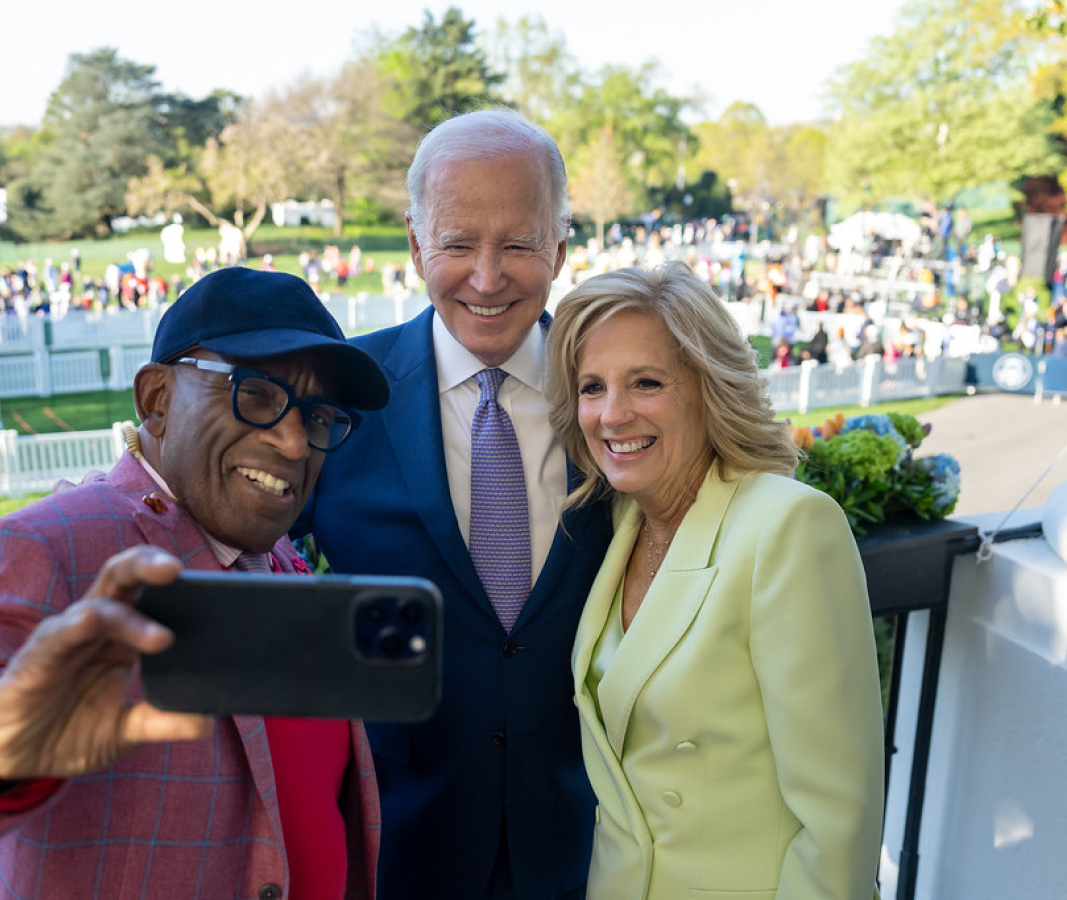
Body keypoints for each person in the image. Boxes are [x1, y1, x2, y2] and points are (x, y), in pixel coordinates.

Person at [0, 267, 390, 899]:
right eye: (256, 394)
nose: (296, 441)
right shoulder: (53, 547)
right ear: (157, 399)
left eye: (319, 415)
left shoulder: (279, 558)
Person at [296, 108, 613, 900]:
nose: (485, 276)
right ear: (414, 245)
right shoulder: (342, 396)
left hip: (593, 845)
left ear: (562, 247)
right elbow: (231, 537)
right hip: (398, 846)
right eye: (458, 244)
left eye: (516, 244)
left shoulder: (617, 395)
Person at [545, 263, 884, 899]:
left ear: (709, 387)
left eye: (645, 382)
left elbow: (839, 826)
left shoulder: (787, 528)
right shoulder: (616, 525)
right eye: (592, 387)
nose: (612, 415)